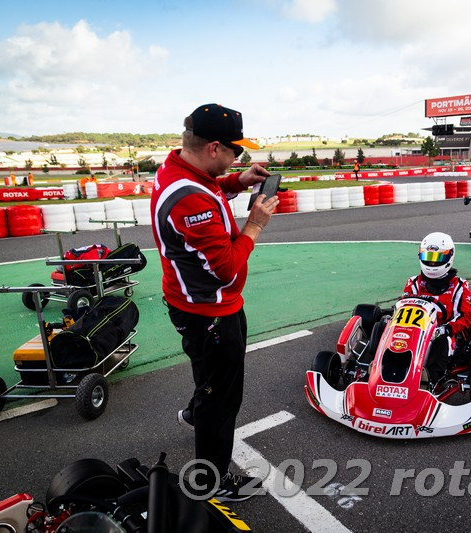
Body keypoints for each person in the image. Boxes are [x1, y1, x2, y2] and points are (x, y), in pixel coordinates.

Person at [150, 103, 278, 500]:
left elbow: (205, 187)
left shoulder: (176, 168)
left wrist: (237, 181)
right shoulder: (191, 200)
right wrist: (255, 224)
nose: (238, 158)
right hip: (208, 309)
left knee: (209, 378)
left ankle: (197, 407)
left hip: (196, 301)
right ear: (213, 149)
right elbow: (225, 268)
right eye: (235, 153)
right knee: (222, 400)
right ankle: (211, 481)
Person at [403, 232, 471, 384]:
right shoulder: (413, 283)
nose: (432, 264)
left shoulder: (459, 286)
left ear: (449, 257)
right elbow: (404, 309)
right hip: (413, 331)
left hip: (442, 333)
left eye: (437, 259)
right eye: (428, 258)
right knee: (382, 327)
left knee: (441, 341)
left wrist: (445, 329)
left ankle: (431, 380)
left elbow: (465, 317)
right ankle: (377, 367)